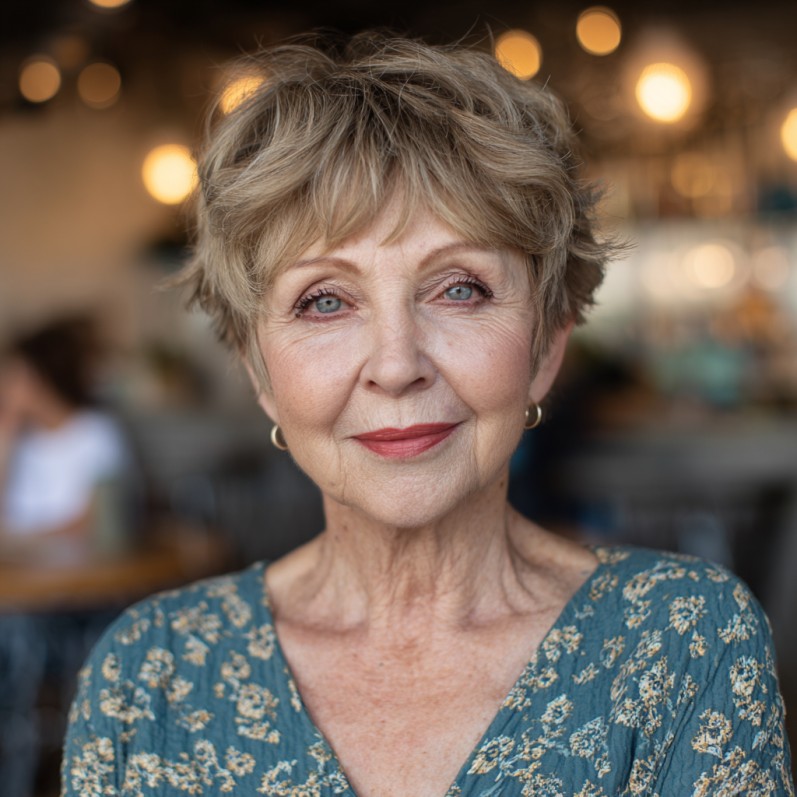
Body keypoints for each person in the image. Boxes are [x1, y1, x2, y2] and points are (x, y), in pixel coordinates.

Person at [61, 33, 793, 796]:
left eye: (459, 289)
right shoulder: (149, 676)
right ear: (259, 373)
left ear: (546, 344)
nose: (396, 362)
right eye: (325, 300)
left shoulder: (681, 639)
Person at [0, 317, 131, 559]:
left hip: (74, 579)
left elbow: (93, 523)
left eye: (13, 377)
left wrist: (19, 542)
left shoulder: (96, 433)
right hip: (16, 577)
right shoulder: (17, 439)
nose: (4, 386)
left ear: (39, 379)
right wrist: (6, 431)